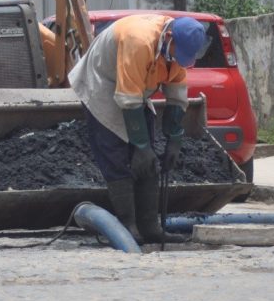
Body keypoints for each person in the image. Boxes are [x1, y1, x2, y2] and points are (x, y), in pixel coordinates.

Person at [68, 14, 209, 244]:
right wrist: (141, 147)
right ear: (169, 36)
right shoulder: (139, 41)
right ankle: (127, 227)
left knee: (147, 159)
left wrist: (174, 139)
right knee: (115, 152)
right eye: (177, 53)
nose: (178, 59)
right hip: (103, 81)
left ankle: (150, 227)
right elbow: (128, 98)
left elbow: (176, 96)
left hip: (134, 86)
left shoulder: (175, 50)